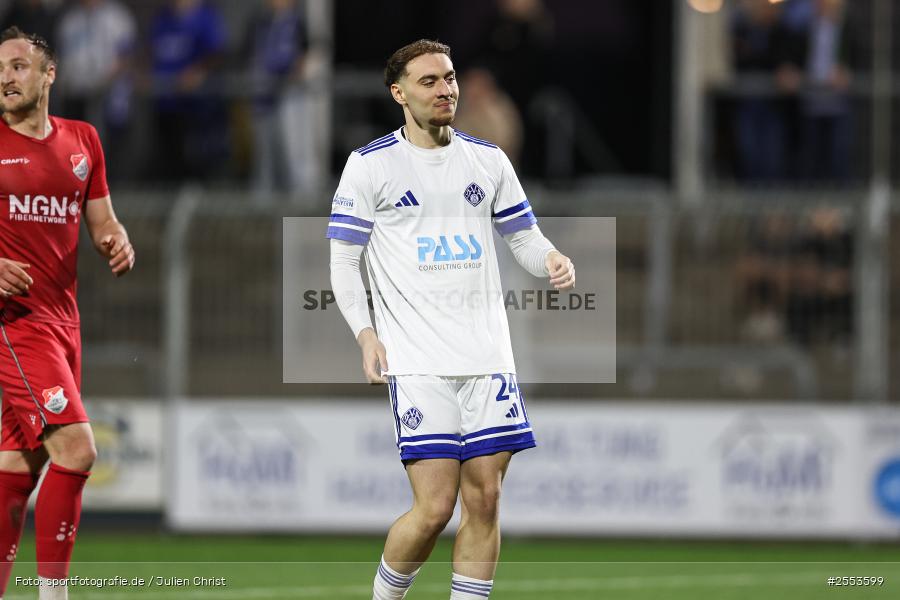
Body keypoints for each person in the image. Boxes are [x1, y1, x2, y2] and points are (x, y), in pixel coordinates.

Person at [327, 40, 574, 600]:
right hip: (418, 361)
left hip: (487, 357)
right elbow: (343, 261)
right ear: (399, 93)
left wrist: (552, 258)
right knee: (436, 507)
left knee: (485, 499)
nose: (446, 90)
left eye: (450, 78)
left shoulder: (488, 160)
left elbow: (524, 238)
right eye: (430, 81)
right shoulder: (370, 165)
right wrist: (365, 335)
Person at [0, 27, 134, 600]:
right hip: (16, 323)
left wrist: (117, 240)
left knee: (17, 466)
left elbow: (102, 222)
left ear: (49, 74)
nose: (6, 77)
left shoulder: (83, 141)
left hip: (64, 323)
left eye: (18, 66)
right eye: (0, 69)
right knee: (78, 450)